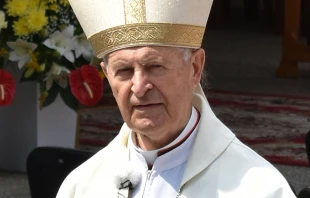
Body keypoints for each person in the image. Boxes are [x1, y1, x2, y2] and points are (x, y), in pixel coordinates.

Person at [57, 0, 297, 197]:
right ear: (107, 75)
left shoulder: (260, 189)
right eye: (124, 71)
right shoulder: (82, 187)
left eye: (154, 66)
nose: (139, 87)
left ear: (194, 68)